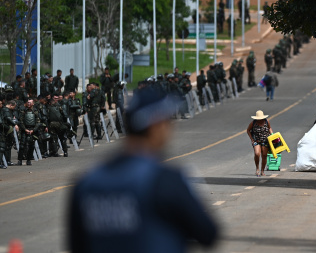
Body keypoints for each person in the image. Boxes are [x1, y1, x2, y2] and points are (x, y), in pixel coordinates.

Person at [68, 87, 218, 253]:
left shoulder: (87, 183)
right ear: (155, 125)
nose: (170, 128)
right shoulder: (164, 180)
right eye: (167, 121)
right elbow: (208, 233)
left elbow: (77, 244)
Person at [246, 110, 274, 177]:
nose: (260, 120)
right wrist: (252, 139)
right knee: (257, 153)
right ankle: (257, 169)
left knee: (264, 155)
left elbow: (269, 128)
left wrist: (272, 135)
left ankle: (262, 171)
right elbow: (248, 130)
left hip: (265, 140)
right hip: (256, 140)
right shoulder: (253, 123)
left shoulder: (267, 121)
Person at [17, 98, 41, 166]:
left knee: (31, 146)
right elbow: (20, 121)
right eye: (28, 102)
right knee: (22, 146)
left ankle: (29, 160)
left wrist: (34, 130)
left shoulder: (35, 111)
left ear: (33, 103)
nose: (29, 104)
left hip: (32, 130)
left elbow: (38, 122)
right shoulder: (23, 111)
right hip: (25, 129)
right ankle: (20, 160)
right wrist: (25, 129)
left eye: (30, 102)